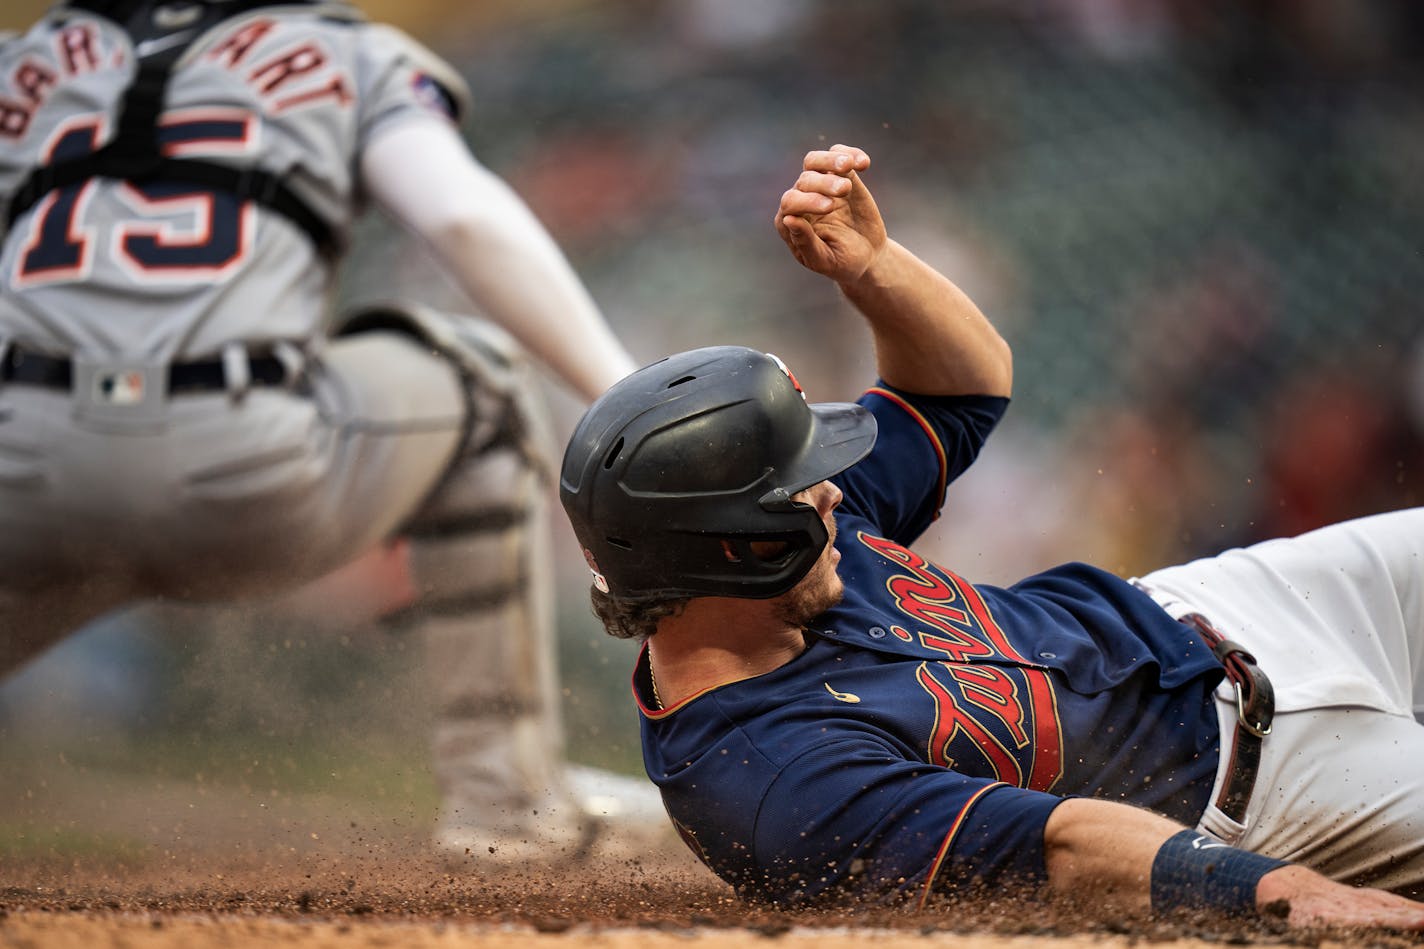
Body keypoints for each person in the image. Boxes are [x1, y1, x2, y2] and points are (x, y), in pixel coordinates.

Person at [558, 143, 1424, 927]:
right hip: (1271, 794)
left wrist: (873, 271)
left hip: (1232, 606)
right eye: (800, 485)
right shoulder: (774, 778)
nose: (831, 492)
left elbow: (964, 388)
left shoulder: (792, 547)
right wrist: (1281, 889)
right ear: (735, 547)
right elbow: (1065, 846)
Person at [0, 0, 654, 863]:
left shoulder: (23, 63)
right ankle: (508, 805)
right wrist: (632, 392)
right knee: (483, 380)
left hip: (26, 480)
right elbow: (461, 216)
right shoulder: (334, 48)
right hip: (241, 468)